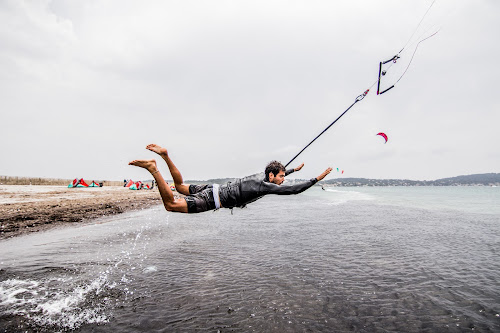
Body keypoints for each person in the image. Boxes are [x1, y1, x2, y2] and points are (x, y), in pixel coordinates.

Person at [129, 144, 332, 213]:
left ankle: (165, 155)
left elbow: (280, 176)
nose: (282, 180)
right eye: (281, 177)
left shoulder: (263, 176)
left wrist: (292, 170)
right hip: (212, 199)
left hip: (214, 187)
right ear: (271, 175)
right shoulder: (265, 186)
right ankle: (153, 169)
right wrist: (316, 178)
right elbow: (293, 190)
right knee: (171, 205)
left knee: (180, 186)